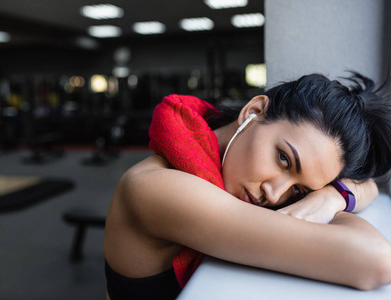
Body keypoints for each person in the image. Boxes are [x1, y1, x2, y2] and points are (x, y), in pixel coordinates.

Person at [103, 72, 391, 300]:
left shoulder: (231, 177)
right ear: (253, 111)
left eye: (299, 191)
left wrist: (331, 197)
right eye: (283, 159)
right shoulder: (157, 188)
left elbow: (369, 186)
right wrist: (330, 198)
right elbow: (376, 260)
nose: (275, 194)